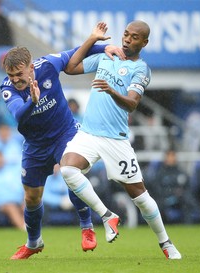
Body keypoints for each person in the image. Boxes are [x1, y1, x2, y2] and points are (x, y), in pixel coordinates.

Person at [59, 21, 182, 259]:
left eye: (135, 37)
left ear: (144, 42)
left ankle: (165, 243)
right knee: (67, 169)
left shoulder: (141, 69)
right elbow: (71, 67)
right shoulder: (107, 56)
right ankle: (107, 216)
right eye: (126, 34)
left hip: (116, 140)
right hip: (89, 133)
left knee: (140, 197)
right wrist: (92, 39)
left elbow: (133, 103)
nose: (127, 39)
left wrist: (111, 91)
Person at [0, 41, 124, 258]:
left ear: (31, 67)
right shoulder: (8, 88)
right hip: (35, 145)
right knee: (31, 197)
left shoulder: (47, 65)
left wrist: (102, 48)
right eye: (11, 75)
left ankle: (87, 227)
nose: (15, 79)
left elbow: (73, 54)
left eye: (19, 73)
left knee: (70, 172)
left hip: (64, 133)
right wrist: (33, 102)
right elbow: (19, 115)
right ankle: (33, 242)